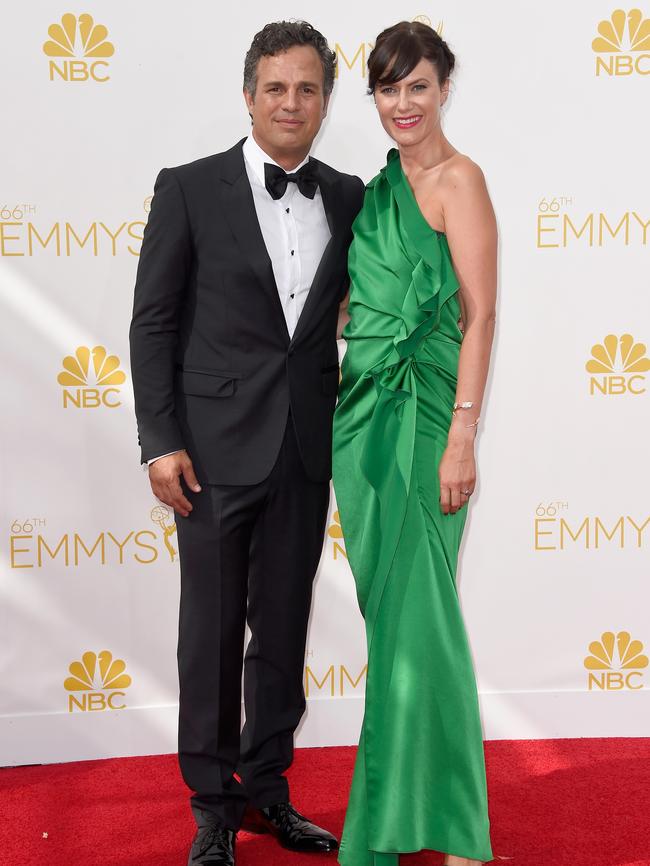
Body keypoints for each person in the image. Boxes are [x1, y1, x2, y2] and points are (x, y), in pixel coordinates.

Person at [129, 21, 364, 866]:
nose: (291, 102)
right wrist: (160, 441)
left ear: (327, 101)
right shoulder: (189, 188)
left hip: (305, 447)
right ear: (248, 96)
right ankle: (213, 808)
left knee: (285, 631)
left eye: (307, 88)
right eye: (276, 87)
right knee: (211, 634)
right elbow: (153, 321)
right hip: (211, 451)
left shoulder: (348, 194)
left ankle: (268, 791)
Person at [333, 21, 497, 866]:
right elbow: (359, 303)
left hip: (428, 419)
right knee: (395, 630)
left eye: (418, 86)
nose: (403, 103)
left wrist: (462, 434)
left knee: (424, 625)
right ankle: (405, 819)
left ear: (444, 88)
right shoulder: (375, 191)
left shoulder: (459, 181)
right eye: (389, 89)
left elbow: (480, 316)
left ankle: (455, 832)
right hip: (361, 426)